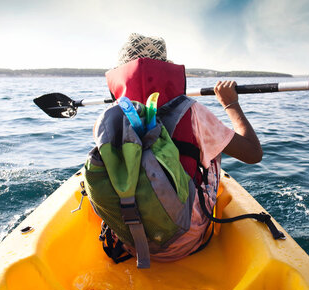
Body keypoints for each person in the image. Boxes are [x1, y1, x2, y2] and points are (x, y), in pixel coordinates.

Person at [104, 33, 263, 261]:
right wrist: (231, 103)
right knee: (212, 148)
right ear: (165, 67)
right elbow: (253, 153)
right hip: (182, 242)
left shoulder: (110, 117)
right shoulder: (192, 111)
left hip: (129, 241)